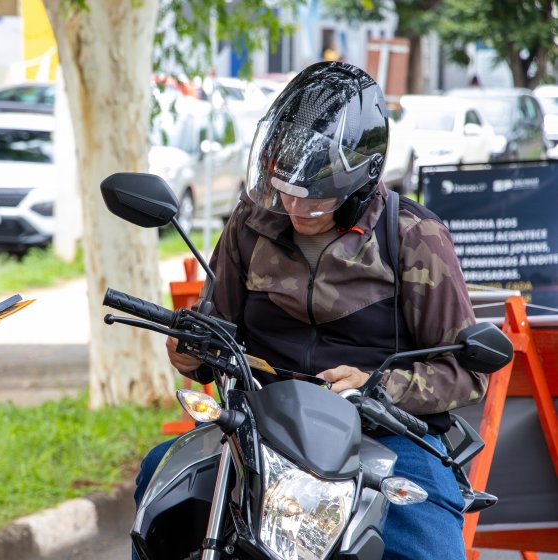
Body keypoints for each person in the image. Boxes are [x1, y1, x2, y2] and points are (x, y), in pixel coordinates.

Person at [136, 61, 485, 560]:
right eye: (286, 191)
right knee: (159, 478)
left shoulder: (413, 235)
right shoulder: (249, 224)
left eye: (316, 200)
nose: (296, 208)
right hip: (261, 424)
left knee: (429, 540)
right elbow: (216, 327)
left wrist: (378, 385)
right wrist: (191, 351)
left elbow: (465, 372)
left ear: (360, 181)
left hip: (382, 430)